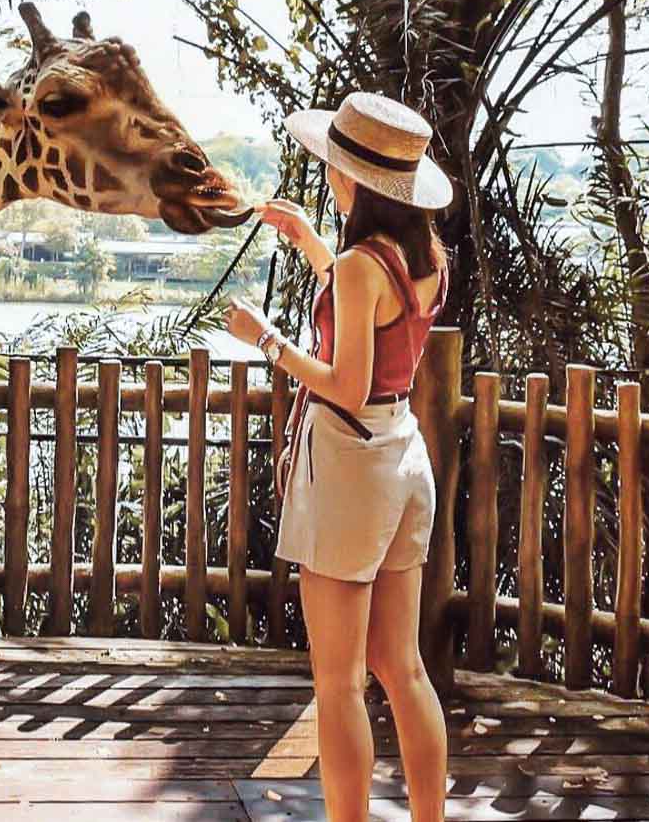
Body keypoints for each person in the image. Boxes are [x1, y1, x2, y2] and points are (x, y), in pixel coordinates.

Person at [224, 91, 453, 821]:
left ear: (353, 179)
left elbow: (346, 383)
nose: (328, 175)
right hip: (401, 459)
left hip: (352, 469)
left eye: (333, 164)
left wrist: (266, 340)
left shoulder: (361, 267)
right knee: (402, 666)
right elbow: (374, 322)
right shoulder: (423, 261)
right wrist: (311, 246)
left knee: (339, 682)